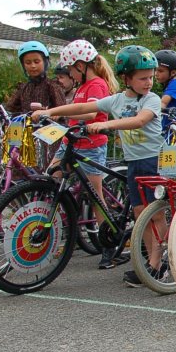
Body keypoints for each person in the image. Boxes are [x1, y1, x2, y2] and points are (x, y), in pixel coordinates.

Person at [33, 45, 163, 276]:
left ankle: (156, 264)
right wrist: (51, 112)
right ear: (127, 79)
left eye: (151, 77)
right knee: (140, 213)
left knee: (155, 213)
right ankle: (150, 263)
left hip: (152, 161)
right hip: (134, 163)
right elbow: (84, 106)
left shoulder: (151, 99)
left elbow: (139, 121)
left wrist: (106, 124)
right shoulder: (117, 100)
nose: (149, 83)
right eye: (143, 78)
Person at [49, 40, 119, 242]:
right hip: (70, 143)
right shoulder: (83, 86)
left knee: (95, 196)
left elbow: (89, 113)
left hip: (91, 145)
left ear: (81, 65)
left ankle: (108, 241)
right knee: (50, 178)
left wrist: (59, 113)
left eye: (71, 69)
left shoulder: (97, 85)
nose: (71, 74)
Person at [4, 41, 66, 113]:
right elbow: (9, 108)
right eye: (28, 63)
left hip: (48, 120)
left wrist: (50, 113)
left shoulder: (53, 86)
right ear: (23, 65)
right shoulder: (23, 88)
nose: (33, 66)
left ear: (45, 62)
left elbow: (62, 111)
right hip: (26, 120)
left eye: (36, 62)